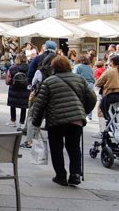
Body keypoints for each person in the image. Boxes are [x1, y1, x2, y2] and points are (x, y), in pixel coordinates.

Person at [30, 56, 96, 187]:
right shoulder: (80, 79)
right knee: (74, 147)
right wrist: (83, 111)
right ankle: (75, 174)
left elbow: (40, 104)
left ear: (54, 67)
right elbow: (92, 97)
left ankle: (60, 176)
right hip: (76, 119)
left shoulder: (49, 81)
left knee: (56, 148)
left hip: (56, 120)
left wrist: (36, 122)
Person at [5, 53, 30, 129]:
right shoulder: (29, 67)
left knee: (13, 105)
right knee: (23, 106)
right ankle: (22, 122)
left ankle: (13, 120)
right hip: (25, 89)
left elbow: (8, 80)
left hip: (14, 88)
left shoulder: (12, 68)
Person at [96, 55, 119, 120]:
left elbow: (98, 83)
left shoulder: (109, 71)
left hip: (110, 95)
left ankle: (103, 128)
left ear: (113, 62)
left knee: (100, 110)